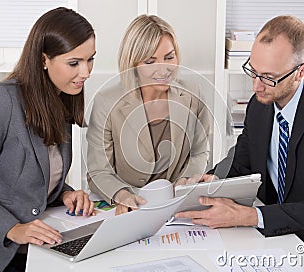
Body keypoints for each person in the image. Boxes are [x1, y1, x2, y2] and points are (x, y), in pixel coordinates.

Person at [176, 15, 304, 269]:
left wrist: (251, 216)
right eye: (253, 71)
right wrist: (211, 182)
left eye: (269, 78)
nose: (256, 86)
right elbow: (242, 162)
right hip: (276, 240)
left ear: (301, 71)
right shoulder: (259, 107)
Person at [0, 7, 96, 272]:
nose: (86, 72)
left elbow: (33, 174)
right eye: (74, 63)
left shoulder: (62, 100)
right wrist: (13, 228)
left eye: (90, 59)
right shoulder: (1, 101)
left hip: (35, 250)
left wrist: (65, 194)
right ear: (44, 59)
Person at [86, 14, 211, 215]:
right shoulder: (107, 102)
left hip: (177, 204)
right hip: (131, 206)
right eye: (150, 61)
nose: (164, 70)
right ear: (133, 64)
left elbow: (199, 152)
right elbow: (98, 171)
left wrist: (184, 184)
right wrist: (123, 195)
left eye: (169, 57)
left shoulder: (193, 94)